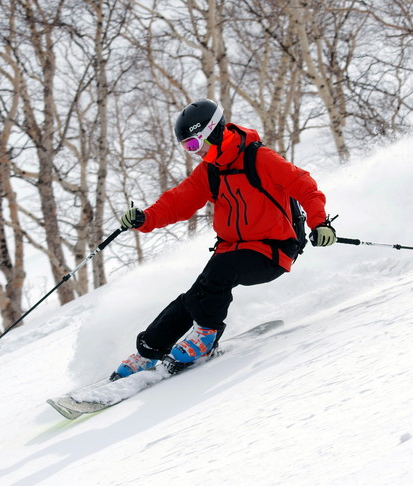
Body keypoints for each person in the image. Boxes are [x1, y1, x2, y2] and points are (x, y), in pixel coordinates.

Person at [112, 99, 336, 380]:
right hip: (233, 249)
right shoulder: (211, 169)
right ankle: (148, 351)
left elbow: (304, 186)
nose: (193, 152)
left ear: (212, 132)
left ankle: (206, 337)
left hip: (273, 251)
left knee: (219, 272)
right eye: (186, 147)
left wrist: (320, 223)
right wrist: (145, 218)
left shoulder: (260, 159)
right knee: (193, 297)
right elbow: (178, 201)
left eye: (194, 144)